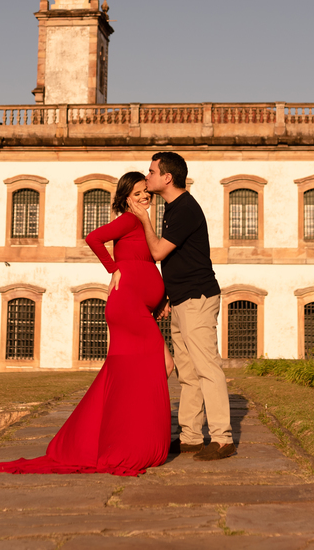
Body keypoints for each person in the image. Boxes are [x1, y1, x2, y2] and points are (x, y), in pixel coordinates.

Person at [0, 172, 171, 477]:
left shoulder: (143, 223)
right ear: (127, 197)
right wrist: (114, 269)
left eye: (145, 192)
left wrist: (160, 297)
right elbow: (93, 238)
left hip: (138, 306)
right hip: (128, 306)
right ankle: (130, 442)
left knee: (132, 372)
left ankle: (121, 439)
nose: (144, 197)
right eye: (137, 193)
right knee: (161, 364)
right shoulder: (129, 220)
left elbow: (149, 259)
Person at [127, 151, 236, 461]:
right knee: (187, 372)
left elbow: (159, 251)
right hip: (181, 299)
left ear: (167, 178)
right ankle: (189, 436)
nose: (146, 177)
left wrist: (143, 218)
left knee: (206, 368)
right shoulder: (173, 208)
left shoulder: (185, 208)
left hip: (198, 298)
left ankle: (222, 438)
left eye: (150, 172)